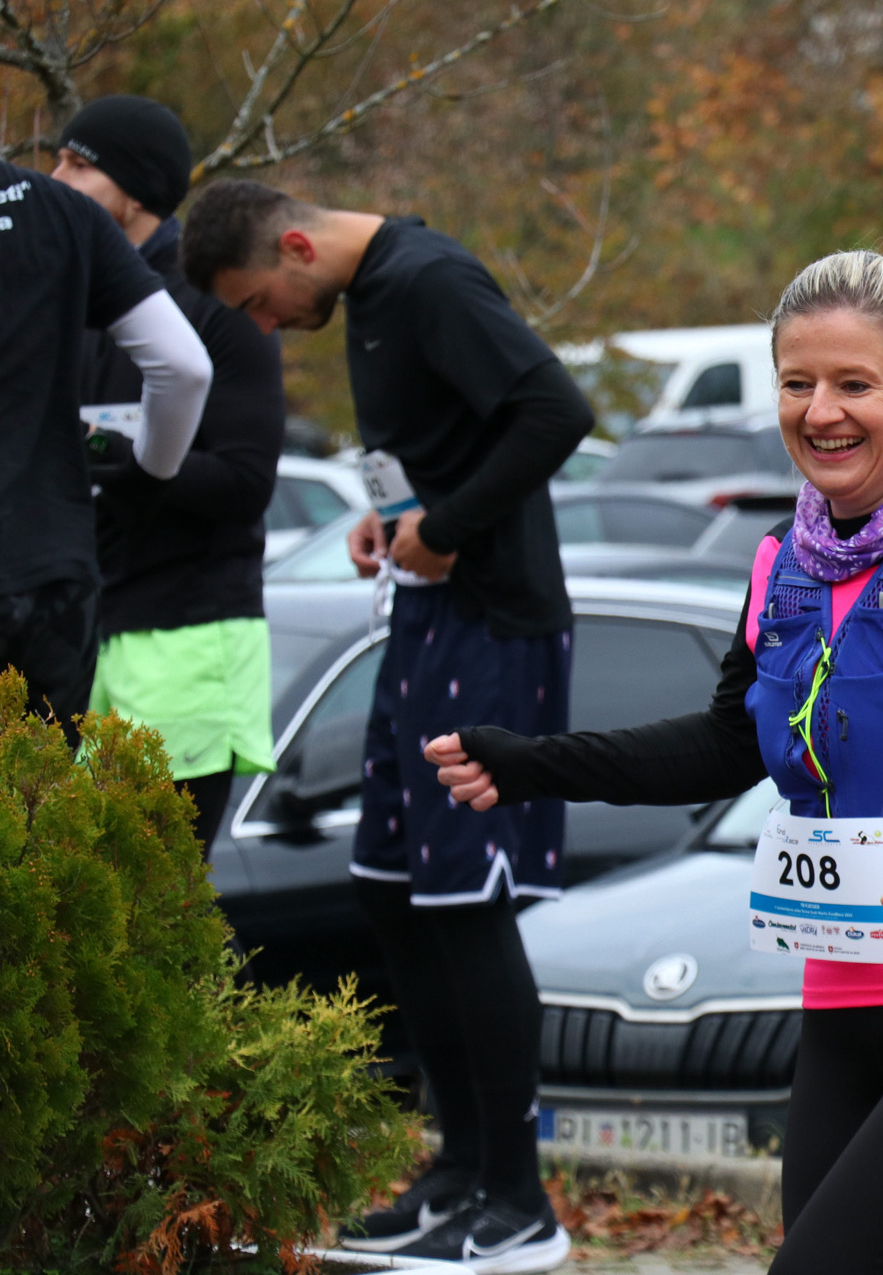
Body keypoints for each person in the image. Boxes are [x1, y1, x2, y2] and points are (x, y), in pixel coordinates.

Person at [424, 251, 883, 1275]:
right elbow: (727, 743)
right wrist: (533, 764)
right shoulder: (782, 560)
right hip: (848, 998)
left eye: (855, 384)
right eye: (797, 383)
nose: (821, 411)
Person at [183, 179, 595, 1271]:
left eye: (260, 301)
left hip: (496, 626)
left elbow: (557, 410)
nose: (265, 325)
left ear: (299, 245)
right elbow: (456, 441)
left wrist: (451, 525)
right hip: (427, 615)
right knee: (391, 886)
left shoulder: (431, 279)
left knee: (465, 903)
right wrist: (396, 514)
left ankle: (519, 1202)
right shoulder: (373, 294)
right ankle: (457, 1171)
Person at [51, 96, 286, 853]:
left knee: (154, 907)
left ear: (138, 188)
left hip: (189, 636)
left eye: (77, 166)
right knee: (71, 913)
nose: (54, 177)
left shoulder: (215, 307)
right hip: (86, 632)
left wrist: (110, 456)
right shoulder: (74, 299)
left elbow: (246, 484)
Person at [0, 154, 211, 744]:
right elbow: (183, 367)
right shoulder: (65, 211)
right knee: (39, 820)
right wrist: (148, 482)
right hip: (49, 573)